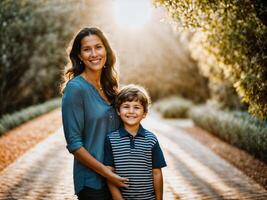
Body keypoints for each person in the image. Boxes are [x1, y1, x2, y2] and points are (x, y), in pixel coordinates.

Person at [61, 27, 129, 200]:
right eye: (86, 49)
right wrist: (106, 173)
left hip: (118, 178)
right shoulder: (75, 89)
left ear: (106, 50)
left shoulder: (109, 86)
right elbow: (74, 144)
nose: (94, 53)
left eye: (98, 47)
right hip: (93, 183)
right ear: (79, 56)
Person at [104, 84, 167, 200]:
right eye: (126, 106)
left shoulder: (151, 139)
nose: (131, 111)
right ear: (118, 111)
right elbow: (109, 174)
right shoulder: (111, 139)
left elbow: (157, 173)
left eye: (136, 107)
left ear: (144, 113)